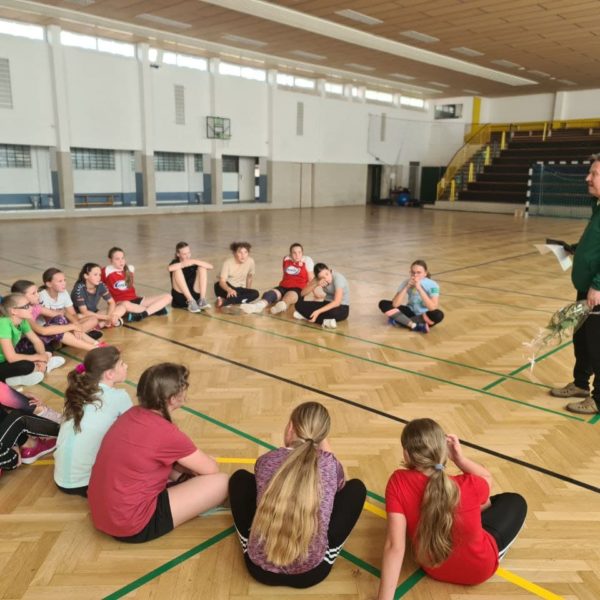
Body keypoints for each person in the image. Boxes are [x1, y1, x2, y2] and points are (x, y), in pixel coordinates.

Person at [377, 418, 527, 598]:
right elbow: (487, 478)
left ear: (407, 454)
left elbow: (395, 546)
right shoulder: (468, 485)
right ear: (443, 451)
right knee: (514, 501)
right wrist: (459, 458)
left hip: (433, 567)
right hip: (478, 570)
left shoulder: (397, 482)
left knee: (485, 503)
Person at [229, 401, 366, 588]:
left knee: (240, 479)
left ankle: (250, 543)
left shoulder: (266, 460)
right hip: (311, 573)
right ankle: (326, 552)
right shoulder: (330, 465)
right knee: (356, 488)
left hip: (260, 569)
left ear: (290, 427)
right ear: (323, 437)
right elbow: (339, 490)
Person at [87, 363, 228, 543]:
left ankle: (183, 481)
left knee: (173, 463)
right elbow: (211, 469)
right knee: (221, 482)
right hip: (133, 525)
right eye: (184, 387)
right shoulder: (166, 433)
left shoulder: (131, 414)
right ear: (171, 399)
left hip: (102, 513)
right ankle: (185, 485)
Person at [550, 155, 600, 415]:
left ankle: (598, 398)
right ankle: (581, 384)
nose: (587, 178)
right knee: (582, 339)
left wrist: (598, 285)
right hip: (588, 286)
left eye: (594, 174)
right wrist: (575, 250)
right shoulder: (598, 207)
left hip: (598, 290)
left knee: (596, 343)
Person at [54, 346, 132, 497]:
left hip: (62, 479)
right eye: (122, 364)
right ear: (109, 374)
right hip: (86, 482)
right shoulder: (119, 397)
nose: (126, 366)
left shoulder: (78, 392)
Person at [11, 279, 100, 353]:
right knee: (58, 327)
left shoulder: (35, 307)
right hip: (26, 345)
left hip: (39, 340)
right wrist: (72, 327)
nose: (38, 295)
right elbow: (42, 331)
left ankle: (94, 344)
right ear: (21, 297)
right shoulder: (23, 313)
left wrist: (75, 324)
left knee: (60, 320)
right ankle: (94, 347)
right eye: (33, 293)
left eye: (37, 292)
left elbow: (63, 313)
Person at [0, 294, 65, 387]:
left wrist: (42, 359)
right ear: (13, 311)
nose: (31, 308)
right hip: (4, 362)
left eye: (30, 304)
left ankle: (41, 367)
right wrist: (37, 357)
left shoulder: (23, 321)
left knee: (46, 346)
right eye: (26, 306)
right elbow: (11, 357)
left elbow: (36, 341)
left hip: (7, 360)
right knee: (26, 366)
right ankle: (16, 378)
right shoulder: (3, 323)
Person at [240, 243, 314, 315]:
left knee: (289, 296)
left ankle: (280, 306)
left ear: (302, 253)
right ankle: (257, 306)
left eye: (299, 252)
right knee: (270, 294)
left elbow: (311, 279)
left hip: (297, 289)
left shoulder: (307, 261)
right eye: (294, 253)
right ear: (290, 254)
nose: (297, 255)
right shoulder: (286, 259)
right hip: (283, 286)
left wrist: (315, 293)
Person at [102, 247, 172, 322]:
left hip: (136, 300)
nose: (121, 261)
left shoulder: (130, 268)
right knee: (126, 304)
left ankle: (142, 315)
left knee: (168, 297)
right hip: (121, 304)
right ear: (110, 260)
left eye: (122, 258)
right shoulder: (106, 271)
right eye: (117, 259)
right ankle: (154, 310)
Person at [378, 260, 444, 334]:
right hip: (410, 311)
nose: (415, 275)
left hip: (424, 315)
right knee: (383, 303)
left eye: (419, 272)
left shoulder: (433, 285)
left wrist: (419, 288)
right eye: (413, 272)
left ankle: (400, 320)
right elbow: (395, 304)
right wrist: (407, 287)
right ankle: (413, 325)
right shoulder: (406, 282)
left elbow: (433, 308)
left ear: (425, 273)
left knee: (438, 315)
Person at [0, 402, 59, 473]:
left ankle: (26, 442)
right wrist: (13, 443)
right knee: (19, 418)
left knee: (13, 410)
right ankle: (67, 429)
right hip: (6, 455)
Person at [39, 268, 100, 335]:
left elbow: (72, 314)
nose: (64, 283)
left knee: (93, 319)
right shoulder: (42, 296)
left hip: (65, 324)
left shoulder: (64, 292)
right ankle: (80, 334)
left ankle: (75, 334)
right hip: (50, 326)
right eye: (60, 281)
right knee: (75, 321)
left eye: (64, 280)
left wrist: (76, 323)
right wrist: (67, 317)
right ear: (49, 284)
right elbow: (49, 319)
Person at [293, 263, 349, 328]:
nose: (326, 278)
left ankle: (306, 316)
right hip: (326, 304)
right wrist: (316, 284)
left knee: (332, 313)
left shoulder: (338, 278)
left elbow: (337, 302)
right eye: (322, 278)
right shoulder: (317, 279)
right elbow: (302, 294)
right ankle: (326, 321)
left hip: (341, 308)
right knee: (298, 304)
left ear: (329, 270)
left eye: (327, 274)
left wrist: (318, 311)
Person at [71, 263, 125, 328]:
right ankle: (100, 324)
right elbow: (84, 312)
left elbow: (111, 302)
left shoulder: (101, 285)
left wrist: (109, 316)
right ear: (86, 276)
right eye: (95, 275)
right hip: (82, 316)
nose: (99, 277)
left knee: (122, 307)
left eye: (99, 275)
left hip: (95, 313)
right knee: (80, 316)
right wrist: (106, 317)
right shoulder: (79, 289)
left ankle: (103, 323)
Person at [168, 241, 213, 313]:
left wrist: (194, 261)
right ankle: (190, 301)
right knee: (177, 270)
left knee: (202, 268)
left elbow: (211, 267)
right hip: (181, 297)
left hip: (194, 294)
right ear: (178, 254)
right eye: (184, 254)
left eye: (188, 253)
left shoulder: (192, 262)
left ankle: (202, 300)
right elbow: (170, 268)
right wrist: (184, 264)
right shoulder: (175, 262)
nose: (188, 256)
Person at [214, 242, 259, 308]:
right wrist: (229, 289)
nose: (243, 255)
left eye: (245, 252)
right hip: (225, 286)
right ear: (234, 253)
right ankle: (239, 300)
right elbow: (222, 282)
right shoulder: (227, 263)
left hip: (239, 289)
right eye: (240, 252)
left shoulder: (251, 261)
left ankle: (226, 302)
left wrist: (247, 291)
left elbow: (249, 277)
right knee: (220, 287)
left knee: (255, 293)